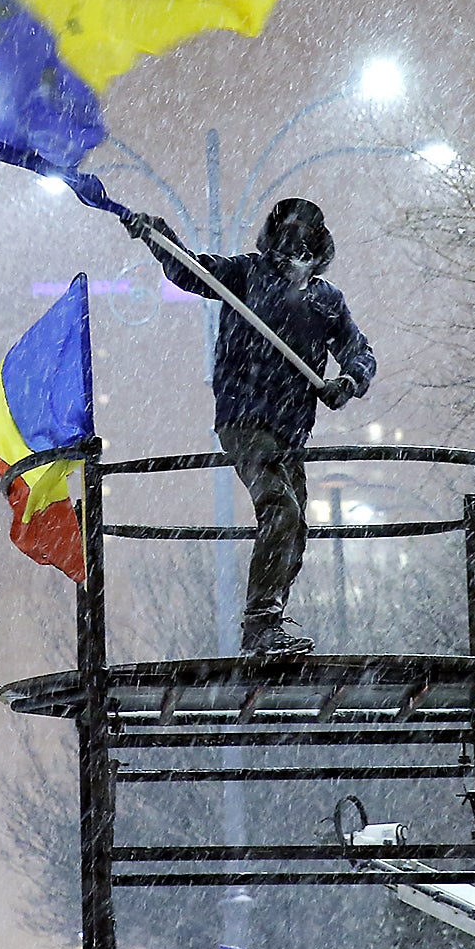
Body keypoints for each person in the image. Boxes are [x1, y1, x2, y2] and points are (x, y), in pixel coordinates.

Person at [121, 197, 376, 657]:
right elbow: (190, 272)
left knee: (295, 531)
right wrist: (159, 237)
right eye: (286, 243)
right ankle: (260, 626)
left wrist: (348, 381)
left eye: (303, 246)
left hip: (290, 433)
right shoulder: (246, 275)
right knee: (281, 510)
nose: (292, 256)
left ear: (318, 251)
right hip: (244, 419)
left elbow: (360, 352)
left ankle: (269, 623)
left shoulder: (327, 302)